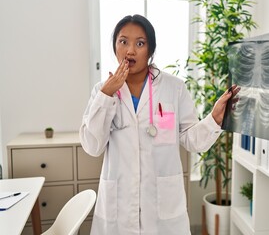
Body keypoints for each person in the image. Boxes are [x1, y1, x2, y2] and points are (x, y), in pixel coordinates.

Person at [80, 14, 236, 235]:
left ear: (151, 50)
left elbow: (192, 139)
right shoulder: (101, 90)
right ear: (114, 46)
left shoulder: (174, 88)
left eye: (140, 43)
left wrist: (215, 118)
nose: (130, 50)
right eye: (123, 41)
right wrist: (107, 94)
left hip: (162, 207)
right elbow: (92, 146)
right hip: (119, 207)